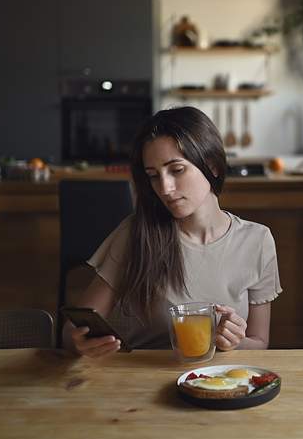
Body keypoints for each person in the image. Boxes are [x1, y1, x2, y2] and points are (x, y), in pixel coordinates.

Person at [63, 106, 281, 357]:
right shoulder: (136, 234)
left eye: (176, 170)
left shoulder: (258, 240)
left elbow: (259, 342)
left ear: (213, 166)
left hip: (218, 381)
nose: (165, 188)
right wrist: (77, 341)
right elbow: (72, 329)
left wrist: (232, 342)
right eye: (153, 176)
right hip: (141, 381)